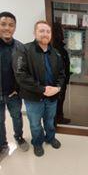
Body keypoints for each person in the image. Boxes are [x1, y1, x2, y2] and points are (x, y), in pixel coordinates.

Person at [13, 20, 65, 157]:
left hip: (52, 97)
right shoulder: (23, 50)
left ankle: (50, 137)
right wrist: (42, 89)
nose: (45, 34)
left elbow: (62, 74)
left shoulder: (56, 54)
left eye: (48, 31)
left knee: (50, 121)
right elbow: (21, 76)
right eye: (41, 31)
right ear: (35, 33)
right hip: (33, 98)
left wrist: (58, 88)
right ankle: (37, 143)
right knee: (35, 124)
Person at [0, 12, 29, 156]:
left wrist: (18, 89)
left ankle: (19, 137)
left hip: (13, 94)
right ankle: (2, 145)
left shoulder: (20, 48)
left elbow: (24, 72)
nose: (7, 28)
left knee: (17, 117)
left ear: (15, 27)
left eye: (11, 25)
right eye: (3, 24)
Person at [53, 22, 70, 124]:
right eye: (61, 31)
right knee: (58, 100)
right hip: (59, 80)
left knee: (60, 99)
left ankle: (59, 118)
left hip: (63, 79)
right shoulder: (55, 48)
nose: (63, 33)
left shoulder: (60, 47)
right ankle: (57, 119)